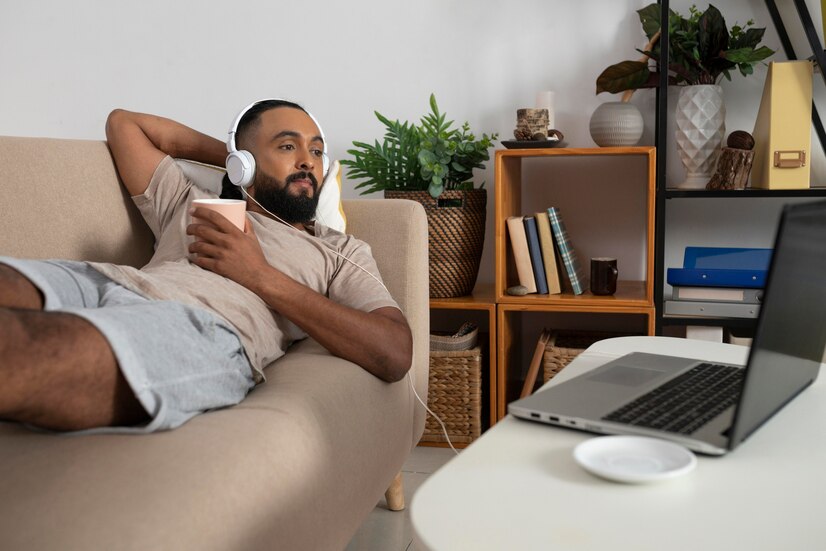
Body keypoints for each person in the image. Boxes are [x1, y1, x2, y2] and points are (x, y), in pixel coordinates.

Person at [0, 99, 413, 433]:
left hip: (200, 329)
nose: (308, 160)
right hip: (111, 282)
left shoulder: (339, 252)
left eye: (318, 151)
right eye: (288, 146)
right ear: (244, 163)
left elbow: (393, 352)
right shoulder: (188, 200)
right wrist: (234, 158)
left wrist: (260, 275)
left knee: (23, 346)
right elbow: (123, 123)